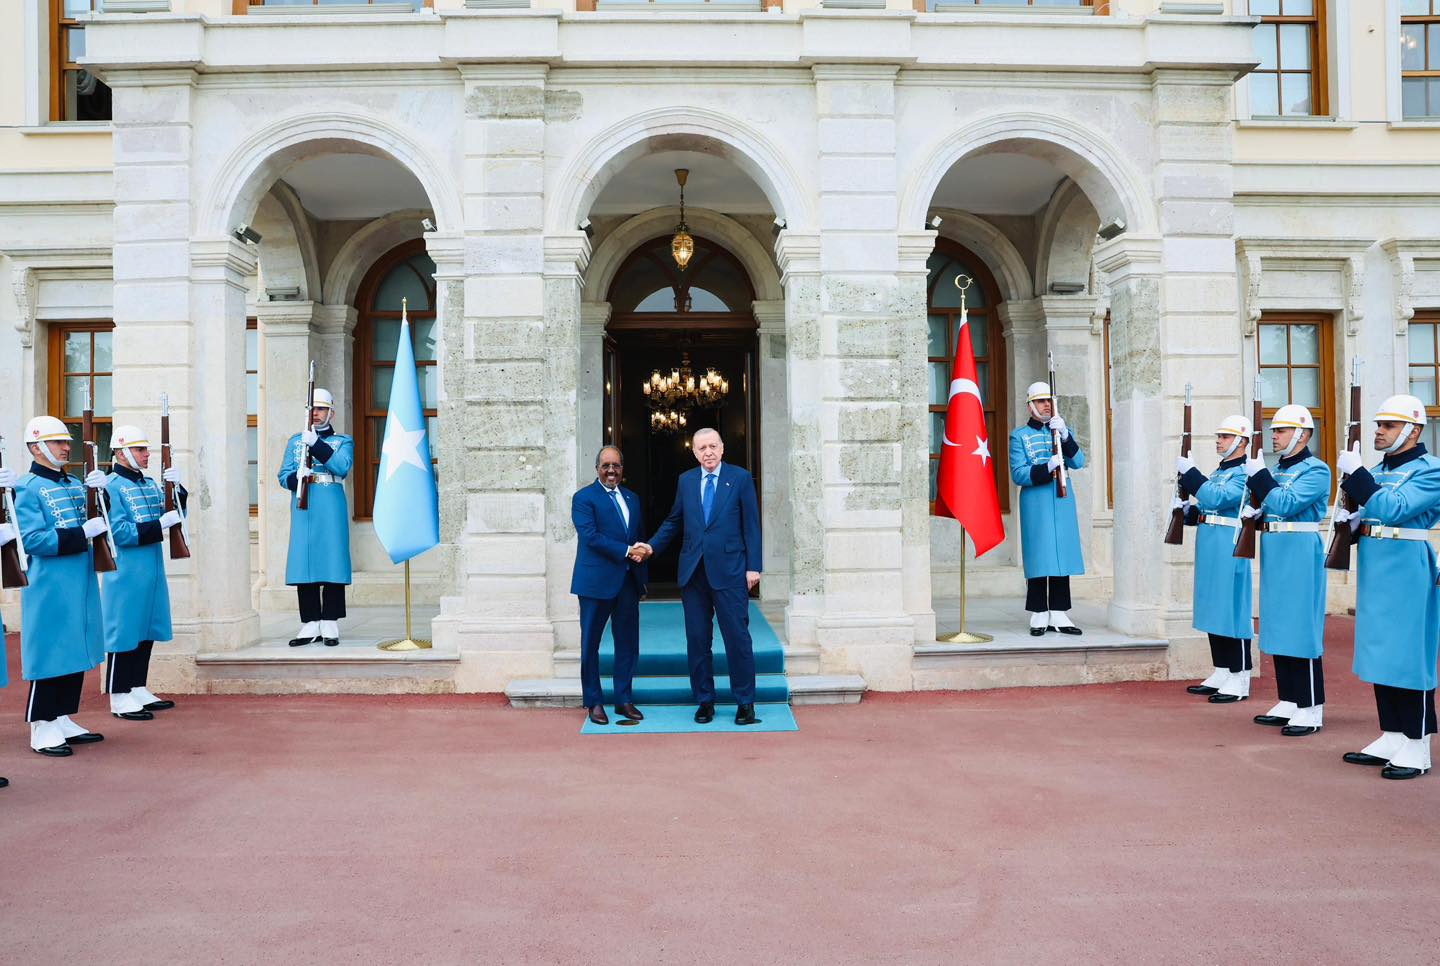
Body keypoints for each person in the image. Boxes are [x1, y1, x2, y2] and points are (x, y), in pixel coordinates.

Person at [1336, 395, 1440, 779]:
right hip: (1377, 566)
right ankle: (1393, 733)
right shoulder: (1378, 470)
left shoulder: (1432, 470)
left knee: (1409, 655)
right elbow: (1371, 512)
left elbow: (1395, 508)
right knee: (1381, 651)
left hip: (1406, 567)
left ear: (1413, 431)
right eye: (1379, 425)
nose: (1379, 431)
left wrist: (1359, 477)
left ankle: (1417, 743)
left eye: (1388, 426)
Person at [637, 428, 762, 725]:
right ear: (694, 452)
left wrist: (753, 566)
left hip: (731, 572)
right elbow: (674, 520)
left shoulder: (741, 478)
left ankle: (745, 702)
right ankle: (705, 701)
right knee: (697, 640)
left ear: (722, 449)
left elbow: (752, 526)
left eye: (712, 446)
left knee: (737, 639)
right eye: (701, 447)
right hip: (694, 574)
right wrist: (652, 546)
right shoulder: (687, 480)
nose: (708, 452)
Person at [12, 416, 107, 756]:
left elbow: (98, 521)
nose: (67, 447)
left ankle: (62, 717)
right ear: (36, 447)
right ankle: (41, 725)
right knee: (50, 650)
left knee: (74, 646)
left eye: (67, 441)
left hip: (78, 578)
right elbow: (33, 539)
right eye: (57, 442)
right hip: (49, 582)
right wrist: (81, 534)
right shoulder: (26, 488)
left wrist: (103, 494)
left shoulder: (74, 484)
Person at [1243, 404, 1330, 737]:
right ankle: (1290, 699)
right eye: (1274, 430)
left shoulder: (1316, 470)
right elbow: (1265, 506)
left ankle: (1310, 706)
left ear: (1303, 434)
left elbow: (1285, 503)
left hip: (1299, 550)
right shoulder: (1276, 470)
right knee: (1278, 623)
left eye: (1280, 431)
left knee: (1301, 628)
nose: (1274, 436)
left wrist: (1259, 477)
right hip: (1276, 548)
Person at [102, 424, 186, 720]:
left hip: (150, 568)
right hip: (125, 571)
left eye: (146, 449)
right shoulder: (111, 486)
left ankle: (136, 686)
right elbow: (119, 532)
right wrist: (158, 526)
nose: (146, 454)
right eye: (140, 449)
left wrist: (179, 490)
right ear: (122, 452)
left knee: (145, 629)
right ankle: (118, 694)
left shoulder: (149, 484)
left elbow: (175, 515)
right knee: (123, 631)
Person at [1175, 415, 1256, 703]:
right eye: (1219, 435)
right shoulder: (1221, 471)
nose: (1219, 440)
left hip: (1229, 544)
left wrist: (1192, 475)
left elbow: (1220, 498)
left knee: (1232, 607)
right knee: (1213, 605)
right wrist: (1187, 511)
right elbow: (1210, 505)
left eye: (1225, 436)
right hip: (1211, 542)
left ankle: (1240, 674)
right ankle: (1222, 669)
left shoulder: (1246, 471)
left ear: (1242, 441)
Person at [570, 446, 647, 726]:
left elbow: (638, 536)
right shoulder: (583, 498)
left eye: (616, 465)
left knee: (628, 645)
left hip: (627, 582)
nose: (611, 470)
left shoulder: (632, 498)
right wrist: (628, 551)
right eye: (606, 466)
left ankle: (623, 699)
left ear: (622, 469)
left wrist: (641, 557)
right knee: (591, 644)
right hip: (594, 584)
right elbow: (590, 537)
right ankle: (594, 701)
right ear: (597, 468)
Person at [1008, 381, 1085, 636]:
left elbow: (1079, 461)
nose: (1046, 405)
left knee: (1062, 553)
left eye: (1049, 401)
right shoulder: (1019, 436)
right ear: (1031, 406)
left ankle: (1060, 613)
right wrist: (1047, 467)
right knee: (1040, 555)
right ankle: (1040, 612)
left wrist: (1065, 435)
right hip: (1037, 500)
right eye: (1041, 401)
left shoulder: (1061, 430)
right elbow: (1018, 473)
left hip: (1061, 498)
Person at [278, 388, 353, 647]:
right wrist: (296, 476)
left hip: (330, 501)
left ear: (331, 412)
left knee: (332, 557)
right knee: (304, 559)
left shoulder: (342, 441)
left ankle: (330, 620)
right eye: (313, 409)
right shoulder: (295, 441)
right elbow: (282, 476)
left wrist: (316, 445)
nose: (316, 413)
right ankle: (310, 622)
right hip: (305, 501)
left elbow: (342, 467)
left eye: (321, 409)